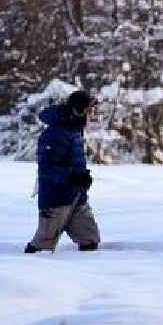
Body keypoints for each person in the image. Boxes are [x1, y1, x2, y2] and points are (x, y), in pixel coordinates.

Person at [24, 90, 101, 253]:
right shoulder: (56, 133)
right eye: (89, 111)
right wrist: (72, 177)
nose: (92, 115)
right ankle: (27, 269)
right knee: (42, 247)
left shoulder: (74, 129)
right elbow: (47, 168)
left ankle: (90, 274)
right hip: (56, 200)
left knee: (90, 239)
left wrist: (82, 178)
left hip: (76, 198)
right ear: (78, 111)